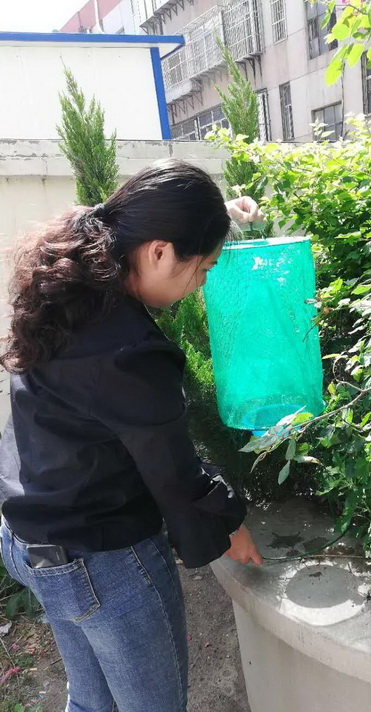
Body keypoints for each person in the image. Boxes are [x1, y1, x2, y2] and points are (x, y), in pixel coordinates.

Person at [0, 159, 263, 712]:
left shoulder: (68, 283)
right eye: (204, 268)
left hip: (29, 538)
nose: (201, 283)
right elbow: (176, 477)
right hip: (101, 561)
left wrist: (221, 217)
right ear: (160, 250)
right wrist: (229, 525)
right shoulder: (131, 352)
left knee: (90, 701)